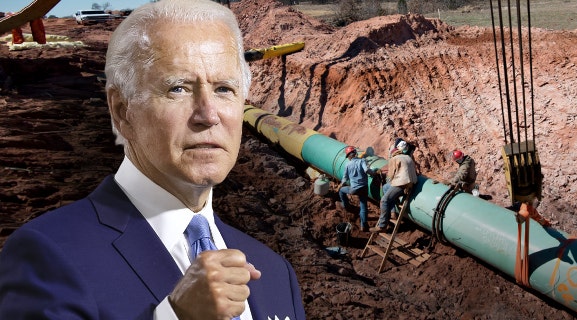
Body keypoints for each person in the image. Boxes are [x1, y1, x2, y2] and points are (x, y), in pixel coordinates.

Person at [0, 1, 305, 319]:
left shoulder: (275, 274)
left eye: (224, 89)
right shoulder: (48, 254)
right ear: (122, 111)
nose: (208, 115)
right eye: (178, 88)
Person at [371, 140, 418, 233]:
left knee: (384, 200)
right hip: (411, 183)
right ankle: (392, 212)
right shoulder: (408, 157)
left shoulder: (394, 159)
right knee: (385, 188)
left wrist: (381, 174)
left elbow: (390, 175)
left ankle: (382, 226)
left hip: (402, 185)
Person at [336, 146, 377, 232]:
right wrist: (374, 173)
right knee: (363, 206)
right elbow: (366, 170)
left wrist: (340, 185)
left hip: (354, 189)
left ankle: (346, 205)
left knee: (341, 190)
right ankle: (363, 225)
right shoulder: (362, 161)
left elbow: (344, 178)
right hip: (364, 188)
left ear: (349, 157)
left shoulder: (347, 165)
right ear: (355, 153)